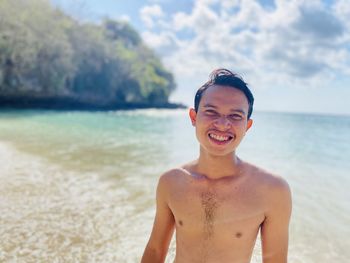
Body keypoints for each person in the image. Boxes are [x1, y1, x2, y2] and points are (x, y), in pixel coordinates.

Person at [141, 68, 292, 263]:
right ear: (194, 118)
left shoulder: (272, 190)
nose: (222, 124)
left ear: (247, 126)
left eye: (235, 116)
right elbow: (155, 250)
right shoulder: (171, 182)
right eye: (211, 112)